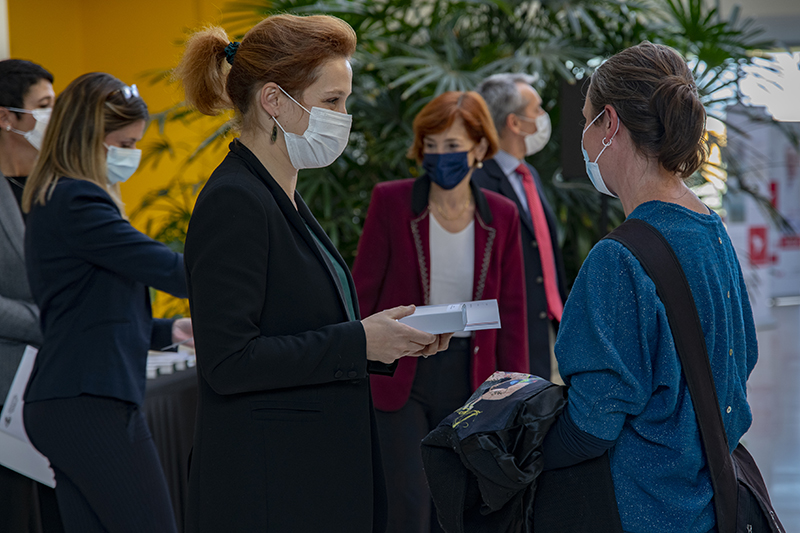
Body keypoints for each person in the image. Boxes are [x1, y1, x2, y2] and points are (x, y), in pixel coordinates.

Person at [175, 14, 449, 533]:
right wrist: (358, 342)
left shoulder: (282, 196)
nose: (344, 117)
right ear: (274, 101)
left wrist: (384, 339)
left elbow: (296, 329)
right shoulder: (236, 199)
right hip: (271, 490)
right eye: (331, 101)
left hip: (303, 477)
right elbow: (229, 360)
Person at [540, 41, 757, 532]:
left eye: (587, 120)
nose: (585, 135)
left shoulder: (618, 260)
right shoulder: (710, 230)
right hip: (711, 503)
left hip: (641, 510)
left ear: (609, 125)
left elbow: (592, 424)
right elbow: (739, 363)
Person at [21, 72, 192, 533]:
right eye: (123, 143)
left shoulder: (57, 198)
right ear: (86, 139)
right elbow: (172, 271)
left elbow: (89, 308)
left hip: (67, 400)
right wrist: (247, 265)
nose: (130, 155)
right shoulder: (77, 200)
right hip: (87, 401)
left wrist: (170, 331)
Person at [352, 91, 529, 533]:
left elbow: (513, 311)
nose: (439, 156)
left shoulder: (502, 215)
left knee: (458, 505)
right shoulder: (391, 202)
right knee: (408, 502)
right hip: (401, 372)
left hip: (471, 378)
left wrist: (515, 395)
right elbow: (362, 293)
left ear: (480, 149)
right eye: (430, 146)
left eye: (452, 146)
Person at [0, 58, 63, 533]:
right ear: (7, 117)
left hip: (59, 389)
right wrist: (51, 320)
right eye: (43, 106)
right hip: (7, 398)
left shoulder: (56, 187)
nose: (53, 116)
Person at [472, 73, 567, 380]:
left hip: (548, 327)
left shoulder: (529, 175)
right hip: (510, 337)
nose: (543, 117)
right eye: (537, 109)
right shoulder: (478, 181)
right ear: (514, 123)